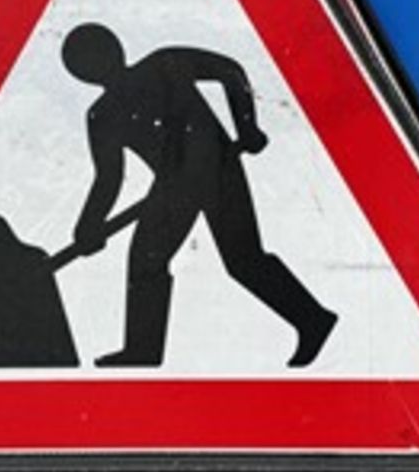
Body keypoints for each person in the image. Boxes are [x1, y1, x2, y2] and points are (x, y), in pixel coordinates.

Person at [63, 23, 336, 369]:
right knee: (146, 260)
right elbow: (108, 178)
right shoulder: (102, 115)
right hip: (172, 187)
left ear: (115, 49)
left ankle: (313, 320)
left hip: (217, 167)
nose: (97, 66)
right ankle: (142, 351)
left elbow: (229, 71)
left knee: (243, 259)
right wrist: (88, 226)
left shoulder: (164, 65)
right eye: (86, 63)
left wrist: (246, 126)